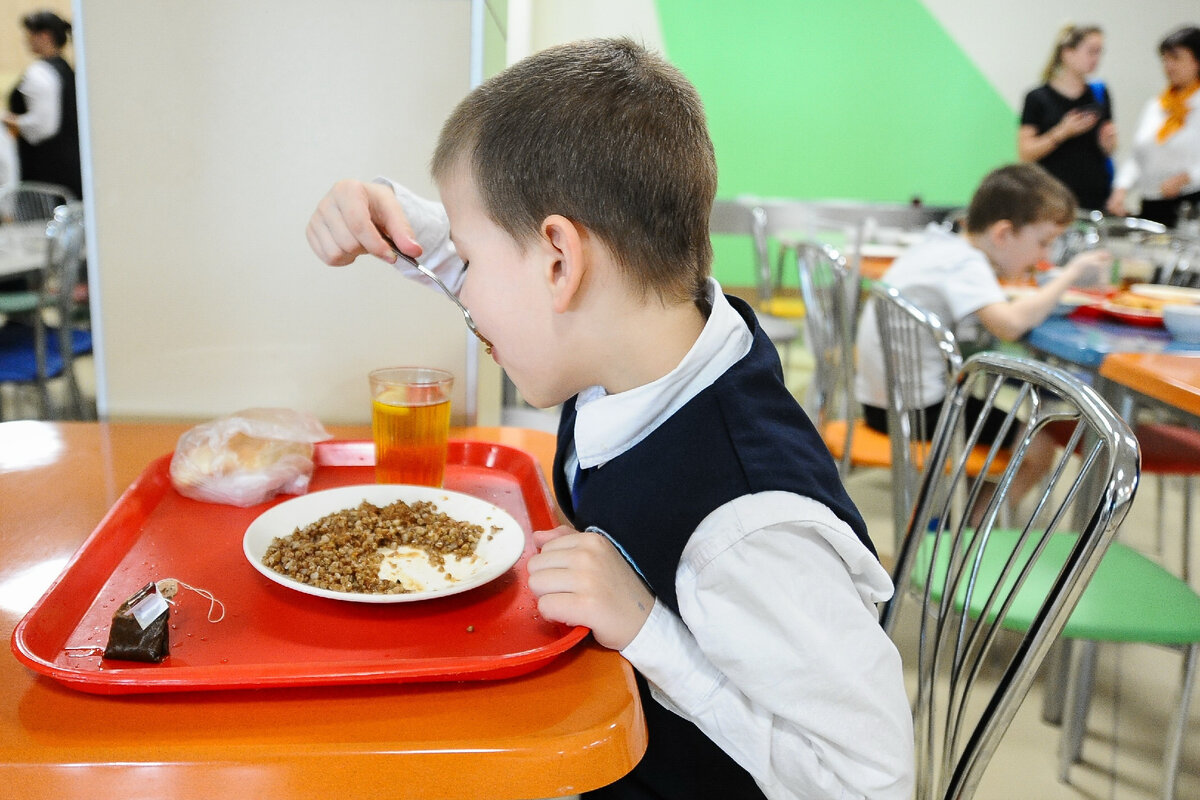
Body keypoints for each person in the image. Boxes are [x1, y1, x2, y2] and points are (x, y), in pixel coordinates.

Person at [307, 38, 913, 800]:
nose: (464, 291)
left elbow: (873, 784)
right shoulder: (647, 334)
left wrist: (652, 632)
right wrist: (392, 219)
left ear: (560, 262)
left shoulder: (747, 532)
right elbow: (519, 271)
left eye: (470, 261)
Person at [856, 163, 1111, 509]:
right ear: (1003, 234)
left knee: (995, 426)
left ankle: (957, 513)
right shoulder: (966, 264)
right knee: (1039, 446)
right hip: (918, 413)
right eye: (1043, 243)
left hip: (881, 405)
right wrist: (1070, 275)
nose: (1045, 257)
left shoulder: (940, 245)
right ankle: (977, 526)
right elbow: (1009, 325)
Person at [1107, 25, 1200, 227]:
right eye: (1165, 59)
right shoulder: (1157, 105)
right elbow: (1138, 155)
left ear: (1196, 61)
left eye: (1176, 58)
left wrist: (1187, 178)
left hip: (1191, 206)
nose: (1168, 66)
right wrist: (1121, 189)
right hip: (1153, 203)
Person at [1018, 24, 1117, 212]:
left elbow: (1108, 149)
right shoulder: (1038, 97)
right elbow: (1025, 153)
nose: (1096, 59)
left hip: (1094, 197)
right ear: (1067, 53)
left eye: (1099, 52)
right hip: (1051, 197)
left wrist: (1108, 143)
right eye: (1091, 51)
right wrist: (1062, 132)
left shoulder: (1100, 93)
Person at [3, 10, 82, 200]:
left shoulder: (39, 73)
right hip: (71, 165)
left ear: (45, 36)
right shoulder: (66, 70)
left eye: (29, 35)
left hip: (46, 172)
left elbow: (43, 127)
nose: (26, 41)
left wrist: (10, 120)